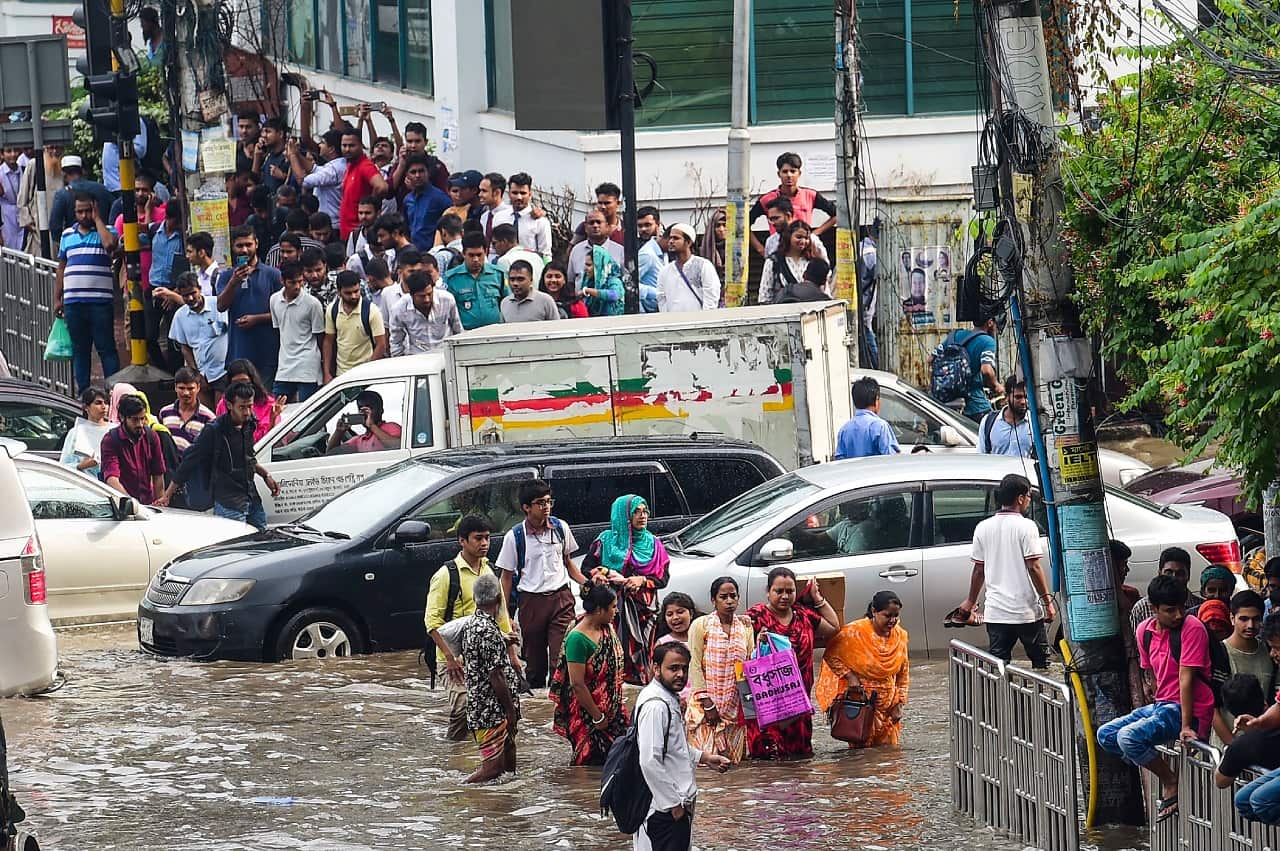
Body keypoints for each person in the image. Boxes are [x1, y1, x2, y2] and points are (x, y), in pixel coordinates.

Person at [1097, 573, 1216, 823]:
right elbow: (1149, 672)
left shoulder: (1192, 628)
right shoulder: (1144, 631)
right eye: (1170, 610)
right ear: (1154, 609)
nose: (1178, 615)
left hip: (1189, 708)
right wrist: (1151, 695)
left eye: (1181, 608)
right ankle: (1163, 770)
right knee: (1106, 735)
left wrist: (1185, 726)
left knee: (1128, 737)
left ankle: (1170, 781)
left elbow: (1187, 679)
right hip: (1162, 705)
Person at [425, 516, 517, 742]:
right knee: (463, 707)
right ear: (462, 541)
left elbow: (502, 614)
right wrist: (450, 658)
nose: (484, 543)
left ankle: (487, 752)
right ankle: (453, 750)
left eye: (487, 538)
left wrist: (513, 656)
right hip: (454, 658)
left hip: (488, 655)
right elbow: (431, 621)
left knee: (498, 705)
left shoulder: (491, 571)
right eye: (478, 538)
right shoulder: (446, 575)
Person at [634, 641, 731, 851]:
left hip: (672, 804)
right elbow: (649, 760)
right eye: (673, 668)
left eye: (684, 668)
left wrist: (704, 757)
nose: (680, 674)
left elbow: (673, 746)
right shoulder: (656, 706)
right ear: (656, 668)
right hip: (664, 808)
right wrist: (673, 805)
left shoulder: (666, 698)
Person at [496, 479, 589, 690]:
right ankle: (535, 710)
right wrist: (505, 616)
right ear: (526, 508)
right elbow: (506, 577)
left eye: (548, 501)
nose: (546, 507)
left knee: (561, 659)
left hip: (561, 600)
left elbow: (568, 563)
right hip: (531, 604)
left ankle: (560, 709)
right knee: (535, 665)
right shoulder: (515, 537)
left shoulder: (560, 528)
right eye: (540, 503)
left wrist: (588, 584)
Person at [954, 473, 1054, 668]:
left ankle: (998, 699)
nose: (1028, 501)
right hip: (1026, 613)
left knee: (998, 667)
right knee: (1042, 665)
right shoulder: (1027, 527)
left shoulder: (983, 527)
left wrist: (971, 601)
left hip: (996, 614)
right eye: (1027, 497)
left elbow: (979, 571)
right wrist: (1047, 603)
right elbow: (1033, 567)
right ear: (1020, 498)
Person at [156, 382, 280, 530]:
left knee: (262, 539)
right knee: (233, 544)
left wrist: (266, 476)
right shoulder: (214, 430)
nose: (247, 412)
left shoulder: (249, 423)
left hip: (250, 494)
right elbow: (189, 461)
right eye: (242, 407)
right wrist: (168, 495)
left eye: (250, 406)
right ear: (229, 405)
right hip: (228, 500)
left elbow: (248, 457)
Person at [745, 567, 840, 758]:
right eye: (778, 591)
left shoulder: (803, 615)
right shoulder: (757, 616)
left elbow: (833, 628)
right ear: (768, 591)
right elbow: (742, 647)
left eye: (790, 591)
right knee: (768, 762)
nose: (785, 596)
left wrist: (817, 597)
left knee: (800, 760)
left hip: (798, 702)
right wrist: (758, 640)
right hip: (768, 702)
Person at [582, 494, 671, 685]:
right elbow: (587, 567)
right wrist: (597, 575)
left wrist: (642, 580)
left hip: (644, 612)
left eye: (644, 511)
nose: (642, 516)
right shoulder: (605, 542)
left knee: (643, 654)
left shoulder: (654, 545)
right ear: (623, 516)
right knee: (613, 653)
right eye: (636, 512)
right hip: (612, 609)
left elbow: (663, 579)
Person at [815, 590, 911, 748]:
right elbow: (831, 655)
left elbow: (903, 674)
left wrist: (900, 703)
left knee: (889, 762)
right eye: (888, 615)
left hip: (889, 710)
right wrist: (850, 676)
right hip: (861, 706)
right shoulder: (854, 632)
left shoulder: (899, 636)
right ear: (874, 611)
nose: (892, 621)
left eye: (896, 616)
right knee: (860, 758)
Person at [549, 583, 628, 765]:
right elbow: (577, 684)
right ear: (600, 610)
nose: (616, 611)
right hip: (588, 713)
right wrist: (597, 716)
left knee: (621, 758)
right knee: (589, 763)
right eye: (613, 607)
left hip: (613, 710)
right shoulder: (577, 639)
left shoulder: (606, 628)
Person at [459, 572, 521, 783]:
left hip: (486, 707)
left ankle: (505, 805)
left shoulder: (474, 624)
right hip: (490, 710)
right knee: (493, 769)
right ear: (498, 600)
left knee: (508, 766)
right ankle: (460, 788)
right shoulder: (487, 630)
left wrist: (504, 639)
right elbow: (496, 675)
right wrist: (510, 710)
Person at [54, 192, 119, 392]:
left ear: (95, 210)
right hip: (74, 304)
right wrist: (57, 298)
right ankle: (83, 393)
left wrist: (98, 219)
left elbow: (110, 245)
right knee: (80, 350)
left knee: (106, 349)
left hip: (100, 303)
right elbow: (61, 267)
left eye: (87, 211)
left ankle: (113, 391)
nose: (83, 216)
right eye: (79, 211)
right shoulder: (67, 235)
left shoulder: (106, 231)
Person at [686, 576, 754, 764]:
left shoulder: (745, 628)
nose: (729, 601)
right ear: (713, 600)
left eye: (733, 596)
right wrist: (707, 703)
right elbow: (695, 664)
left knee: (732, 767)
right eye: (723, 597)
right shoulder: (701, 625)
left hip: (734, 708)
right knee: (704, 766)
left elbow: (746, 667)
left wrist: (747, 706)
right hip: (705, 707)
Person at [216, 226, 282, 388]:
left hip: (268, 353)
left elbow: (284, 313)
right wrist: (234, 282)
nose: (244, 249)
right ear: (233, 247)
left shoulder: (272, 275)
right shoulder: (226, 276)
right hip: (239, 353)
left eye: (248, 244)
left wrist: (257, 319)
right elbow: (221, 306)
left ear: (256, 244)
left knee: (264, 403)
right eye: (239, 246)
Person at [1215, 671, 1280, 823]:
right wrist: (1259, 723)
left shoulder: (1241, 746)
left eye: (1276, 648)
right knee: (1242, 801)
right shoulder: (1243, 744)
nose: (1273, 654)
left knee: (1260, 800)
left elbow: (1220, 779)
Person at [748, 152, 837, 256]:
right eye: (785, 171)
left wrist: (815, 234)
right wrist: (760, 249)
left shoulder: (810, 195)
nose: (789, 175)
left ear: (799, 173)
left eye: (793, 171)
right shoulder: (767, 199)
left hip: (804, 249)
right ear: (779, 174)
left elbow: (837, 214)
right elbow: (745, 224)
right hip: (778, 249)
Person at [268, 260, 325, 403]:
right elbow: (278, 331)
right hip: (284, 366)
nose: (298, 286)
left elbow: (320, 337)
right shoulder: (274, 300)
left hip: (307, 366)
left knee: (307, 412)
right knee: (277, 410)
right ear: (282, 281)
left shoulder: (312, 304)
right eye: (292, 282)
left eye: (300, 282)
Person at [169, 272, 229, 398]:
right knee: (203, 414)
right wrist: (196, 373)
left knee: (221, 412)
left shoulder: (218, 305)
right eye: (185, 296)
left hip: (222, 371)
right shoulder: (180, 316)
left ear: (200, 289)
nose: (190, 298)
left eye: (193, 293)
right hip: (200, 374)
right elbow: (185, 348)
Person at [322, 270, 388, 383]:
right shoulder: (332, 310)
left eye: (356, 291)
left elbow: (381, 345)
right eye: (348, 293)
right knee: (344, 401)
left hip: (365, 376)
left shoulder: (372, 311)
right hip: (342, 375)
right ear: (339, 292)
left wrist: (368, 370)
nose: (353, 296)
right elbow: (328, 342)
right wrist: (327, 373)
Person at [934, 315, 1002, 423]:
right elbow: (987, 370)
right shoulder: (987, 341)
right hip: (975, 406)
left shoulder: (955, 335)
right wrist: (996, 386)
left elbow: (930, 359)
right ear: (990, 323)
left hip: (944, 405)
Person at [100, 394, 166, 504]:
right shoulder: (110, 440)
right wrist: (131, 503)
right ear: (122, 417)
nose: (140, 424)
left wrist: (160, 503)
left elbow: (158, 473)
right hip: (121, 504)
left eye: (142, 419)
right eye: (135, 420)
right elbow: (111, 478)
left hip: (149, 504)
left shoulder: (151, 436)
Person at [442, 232, 507, 330]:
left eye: (479, 255)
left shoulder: (498, 274)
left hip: (496, 332)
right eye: (471, 255)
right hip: (466, 334)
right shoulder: (451, 278)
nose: (476, 259)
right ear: (463, 254)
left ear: (485, 252)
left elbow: (507, 302)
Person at [389, 270, 462, 355]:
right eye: (421, 296)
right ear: (411, 294)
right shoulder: (399, 309)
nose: (427, 299)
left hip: (445, 354)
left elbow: (458, 330)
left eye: (429, 294)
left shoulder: (447, 300)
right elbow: (396, 342)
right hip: (418, 358)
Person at [1130, 547, 1202, 630]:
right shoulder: (1141, 608)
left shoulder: (1200, 607)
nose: (1174, 578)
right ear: (1159, 573)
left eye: (1180, 573)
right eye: (1169, 573)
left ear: (1188, 576)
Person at [47, 156, 113, 245]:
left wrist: (66, 244)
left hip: (76, 246)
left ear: (64, 174)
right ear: (83, 171)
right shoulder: (102, 189)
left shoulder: (62, 194)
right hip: (103, 242)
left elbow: (55, 227)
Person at [1225, 590, 1275, 707]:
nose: (1250, 625)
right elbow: (1213, 706)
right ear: (1232, 618)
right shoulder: (1219, 652)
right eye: (1243, 619)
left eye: (1256, 619)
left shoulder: (1270, 651)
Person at [214, 358, 282, 443]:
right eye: (236, 383)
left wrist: (272, 420)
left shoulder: (268, 404)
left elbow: (268, 440)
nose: (246, 412)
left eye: (245, 382)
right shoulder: (224, 403)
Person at [338, 128, 389, 240]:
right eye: (344, 145)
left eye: (352, 146)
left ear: (361, 146)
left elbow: (382, 187)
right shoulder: (351, 165)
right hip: (347, 234)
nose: (347, 149)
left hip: (360, 235)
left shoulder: (365, 166)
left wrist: (369, 207)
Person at [833, 376, 901, 459]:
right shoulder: (880, 427)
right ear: (876, 400)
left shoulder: (844, 430)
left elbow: (840, 459)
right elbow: (891, 458)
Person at [657, 223, 720, 312]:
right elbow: (661, 298)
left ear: (688, 242)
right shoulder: (665, 271)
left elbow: (711, 296)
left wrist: (705, 320)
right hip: (674, 323)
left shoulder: (703, 266)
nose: (671, 241)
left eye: (676, 238)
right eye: (670, 238)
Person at [758, 220, 820, 305]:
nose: (803, 241)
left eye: (806, 238)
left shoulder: (812, 261)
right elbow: (765, 294)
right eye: (799, 237)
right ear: (789, 236)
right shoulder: (773, 262)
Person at [158, 368, 216, 456]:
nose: (186, 393)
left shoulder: (209, 418)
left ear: (198, 388)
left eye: (190, 388)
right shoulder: (164, 413)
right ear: (175, 387)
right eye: (181, 388)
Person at [59, 385, 111, 479]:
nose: (104, 407)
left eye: (106, 403)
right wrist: (81, 466)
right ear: (86, 407)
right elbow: (64, 466)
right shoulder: (77, 433)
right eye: (98, 403)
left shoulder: (114, 430)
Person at [400, 155, 451, 250]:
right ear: (407, 175)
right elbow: (406, 228)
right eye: (413, 172)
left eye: (421, 171)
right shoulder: (407, 200)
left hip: (433, 253)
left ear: (428, 172)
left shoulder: (439, 198)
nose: (417, 175)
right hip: (413, 253)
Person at [326, 389, 401, 453]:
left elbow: (399, 447)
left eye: (369, 408)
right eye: (361, 408)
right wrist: (339, 432)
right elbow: (331, 453)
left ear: (381, 411)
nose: (364, 413)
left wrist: (372, 426)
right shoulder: (359, 440)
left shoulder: (391, 427)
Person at [978, 375, 1033, 457]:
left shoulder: (1034, 424)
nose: (1023, 402)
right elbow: (981, 454)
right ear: (1007, 397)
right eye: (1018, 397)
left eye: (1026, 397)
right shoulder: (989, 422)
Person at [567, 209, 625, 284]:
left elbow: (626, 280)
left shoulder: (619, 251)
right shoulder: (576, 250)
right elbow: (570, 280)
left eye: (599, 222)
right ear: (585, 227)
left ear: (607, 226)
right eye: (591, 223)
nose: (595, 225)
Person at [506, 173, 551, 260]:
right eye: (515, 193)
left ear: (530, 194)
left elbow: (545, 255)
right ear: (509, 193)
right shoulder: (500, 217)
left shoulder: (540, 221)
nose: (519, 197)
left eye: (523, 193)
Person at [581, 245, 625, 317]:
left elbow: (613, 295)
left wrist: (587, 290)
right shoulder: (590, 282)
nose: (585, 268)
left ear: (599, 266)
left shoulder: (614, 280)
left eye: (589, 265)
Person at [636, 205, 666, 312]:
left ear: (658, 225)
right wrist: (657, 293)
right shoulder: (643, 252)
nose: (643, 229)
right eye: (640, 226)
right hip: (648, 310)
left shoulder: (664, 246)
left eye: (647, 225)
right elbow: (631, 284)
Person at [0, 146, 25, 251]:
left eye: (15, 151)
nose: (13, 154)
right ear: (2, 154)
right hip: (5, 215)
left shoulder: (24, 170)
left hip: (22, 213)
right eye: (8, 151)